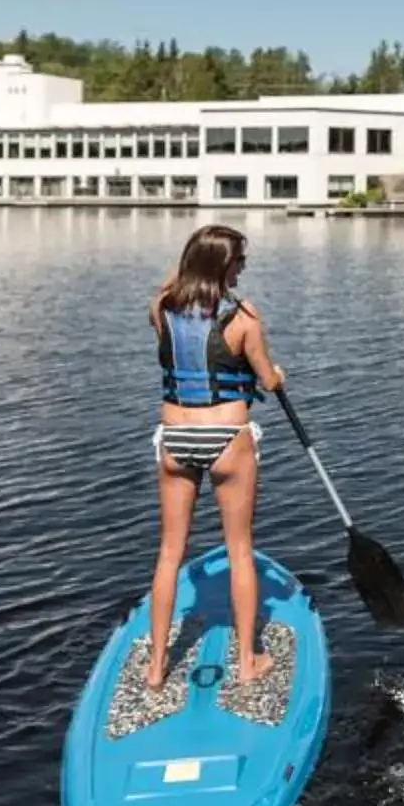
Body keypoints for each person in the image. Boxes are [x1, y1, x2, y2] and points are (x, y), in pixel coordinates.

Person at [144, 224, 286, 691]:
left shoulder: (161, 310)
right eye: (238, 262)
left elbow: (171, 286)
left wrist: (192, 269)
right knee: (240, 551)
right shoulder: (244, 319)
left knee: (169, 554)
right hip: (227, 439)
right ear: (222, 266)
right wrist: (275, 373)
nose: (243, 269)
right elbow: (267, 380)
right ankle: (247, 663)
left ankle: (155, 668)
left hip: (175, 441)